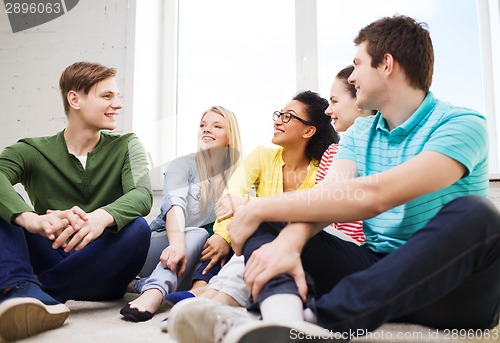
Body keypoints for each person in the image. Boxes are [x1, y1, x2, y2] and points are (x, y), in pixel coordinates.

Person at [166, 15, 500, 343]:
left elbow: (378, 195)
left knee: (478, 214)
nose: (352, 76)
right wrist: (286, 239)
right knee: (270, 222)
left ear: (386, 64)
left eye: (357, 64)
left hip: (455, 291)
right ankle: (285, 323)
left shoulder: (463, 124)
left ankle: (320, 320)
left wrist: (259, 205)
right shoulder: (361, 132)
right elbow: (328, 197)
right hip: (375, 270)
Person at [0, 61, 153, 342]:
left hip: (105, 270)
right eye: (107, 96)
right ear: (75, 99)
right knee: (5, 207)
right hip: (51, 254)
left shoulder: (128, 144)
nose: (117, 104)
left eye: (117, 97)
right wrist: (31, 218)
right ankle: (22, 288)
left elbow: (142, 194)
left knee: (139, 227)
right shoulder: (31, 150)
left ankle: (38, 292)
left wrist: (101, 217)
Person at [161, 90, 339, 320]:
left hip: (300, 243)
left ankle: (210, 298)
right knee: (249, 234)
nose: (278, 120)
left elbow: (310, 212)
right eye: (279, 114)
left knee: (263, 225)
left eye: (288, 116)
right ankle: (211, 295)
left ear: (309, 130)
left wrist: (248, 204)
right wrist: (223, 237)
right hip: (257, 242)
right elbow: (230, 197)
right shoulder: (263, 156)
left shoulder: (322, 168)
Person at [120, 106, 243, 321]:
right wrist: (176, 244)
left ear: (231, 135)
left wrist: (225, 239)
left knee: (232, 247)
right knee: (198, 233)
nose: (206, 130)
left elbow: (245, 214)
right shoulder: (182, 165)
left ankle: (172, 288)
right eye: (203, 125)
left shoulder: (240, 175)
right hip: (161, 246)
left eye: (216, 126)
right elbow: (174, 207)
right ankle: (154, 290)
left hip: (199, 255)